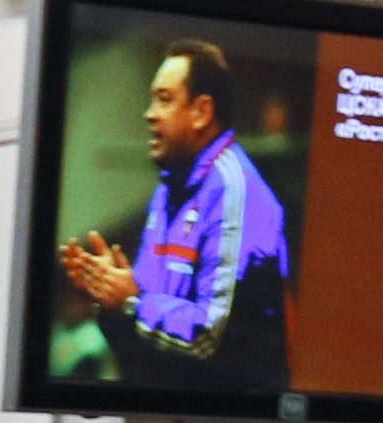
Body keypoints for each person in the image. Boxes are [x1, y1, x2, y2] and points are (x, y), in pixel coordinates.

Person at [55, 40, 291, 389]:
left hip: (237, 422)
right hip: (165, 421)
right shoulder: (168, 190)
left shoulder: (234, 193)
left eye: (164, 100)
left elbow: (210, 337)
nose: (149, 114)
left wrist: (132, 302)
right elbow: (148, 332)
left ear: (202, 112)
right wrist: (112, 303)